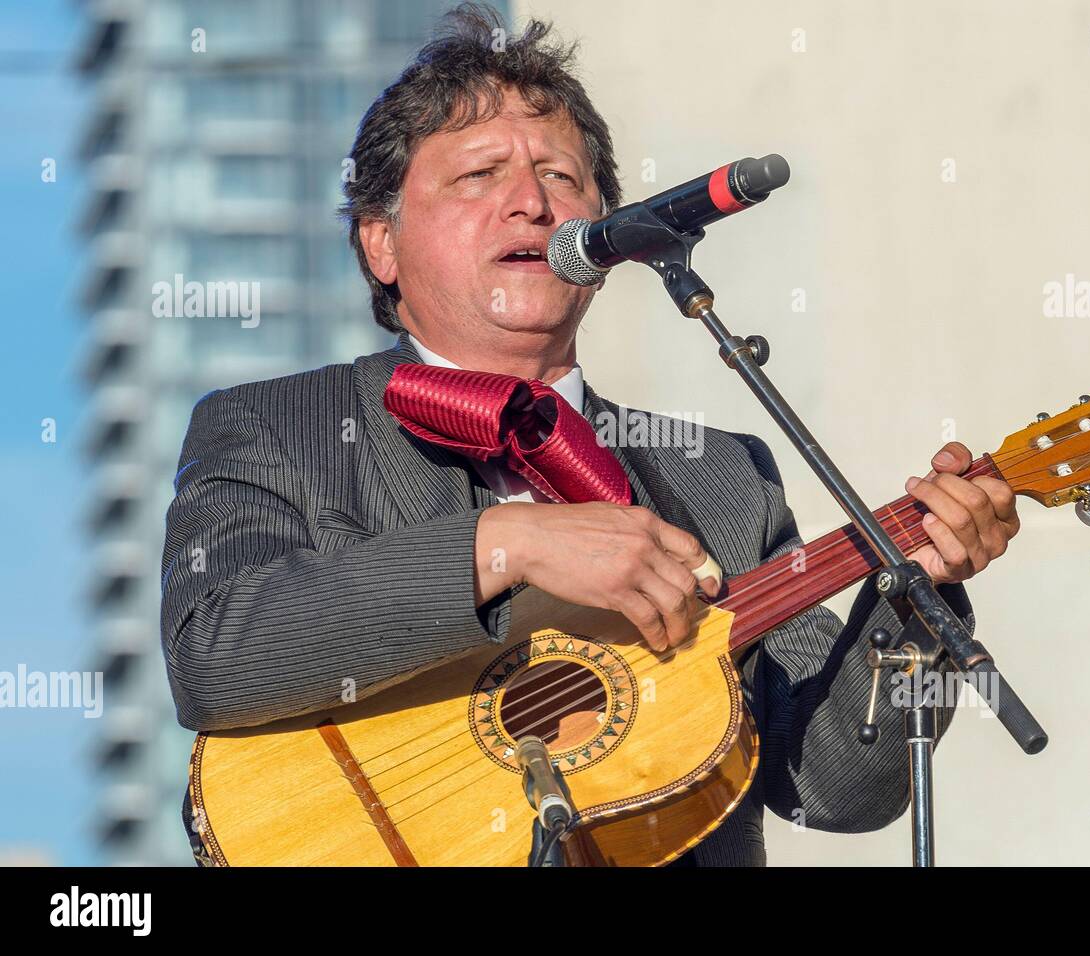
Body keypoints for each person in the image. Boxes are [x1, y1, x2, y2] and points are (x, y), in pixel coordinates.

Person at [163, 3, 1020, 867]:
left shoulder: (723, 476)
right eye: (478, 176)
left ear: (603, 249)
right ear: (380, 242)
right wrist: (506, 544)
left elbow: (838, 789)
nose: (532, 203)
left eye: (563, 180)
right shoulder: (276, 427)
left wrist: (917, 595)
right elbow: (215, 654)